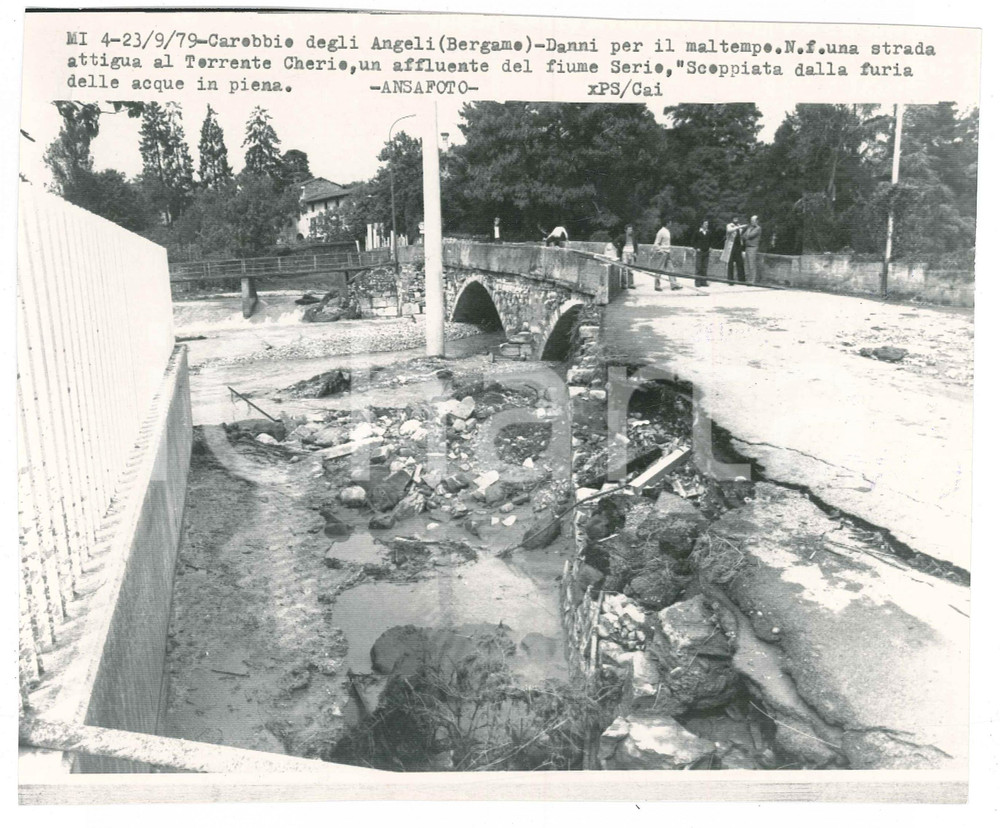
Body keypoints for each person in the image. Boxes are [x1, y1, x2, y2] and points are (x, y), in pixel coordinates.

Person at [653, 220, 680, 291]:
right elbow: (656, 244)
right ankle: (657, 286)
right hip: (663, 253)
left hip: (667, 253)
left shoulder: (667, 231)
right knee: (659, 269)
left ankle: (673, 285)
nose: (671, 224)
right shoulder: (661, 231)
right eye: (670, 223)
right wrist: (660, 251)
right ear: (667, 223)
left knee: (671, 269)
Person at [721, 217, 746, 283]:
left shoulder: (739, 226)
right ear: (732, 219)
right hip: (731, 246)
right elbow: (729, 230)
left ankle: (741, 280)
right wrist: (739, 227)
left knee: (740, 262)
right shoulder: (729, 225)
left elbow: (740, 235)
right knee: (730, 262)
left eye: (737, 219)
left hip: (738, 246)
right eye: (735, 219)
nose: (736, 220)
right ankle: (730, 280)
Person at [743, 215, 762, 284]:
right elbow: (743, 236)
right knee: (747, 264)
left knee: (752, 264)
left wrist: (748, 231)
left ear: (757, 221)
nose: (751, 222)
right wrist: (747, 234)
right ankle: (747, 279)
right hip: (747, 247)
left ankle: (752, 280)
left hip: (753, 248)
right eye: (751, 220)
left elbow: (750, 236)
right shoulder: (750, 228)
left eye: (753, 220)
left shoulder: (758, 228)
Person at [694, 219, 712, 287]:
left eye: (707, 224)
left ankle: (703, 282)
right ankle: (697, 282)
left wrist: (711, 247)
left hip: (706, 252)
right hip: (700, 252)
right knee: (698, 267)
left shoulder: (709, 232)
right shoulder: (697, 232)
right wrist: (696, 248)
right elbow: (693, 241)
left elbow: (711, 241)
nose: (707, 225)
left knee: (704, 267)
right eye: (705, 224)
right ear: (702, 224)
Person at [621, 224, 637, 288]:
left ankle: (631, 284)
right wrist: (621, 249)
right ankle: (624, 284)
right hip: (625, 253)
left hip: (631, 254)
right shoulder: (622, 236)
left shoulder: (633, 237)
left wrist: (635, 253)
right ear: (626, 230)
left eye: (631, 229)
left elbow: (636, 245)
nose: (631, 230)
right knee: (624, 269)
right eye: (629, 229)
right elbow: (615, 242)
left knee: (631, 269)